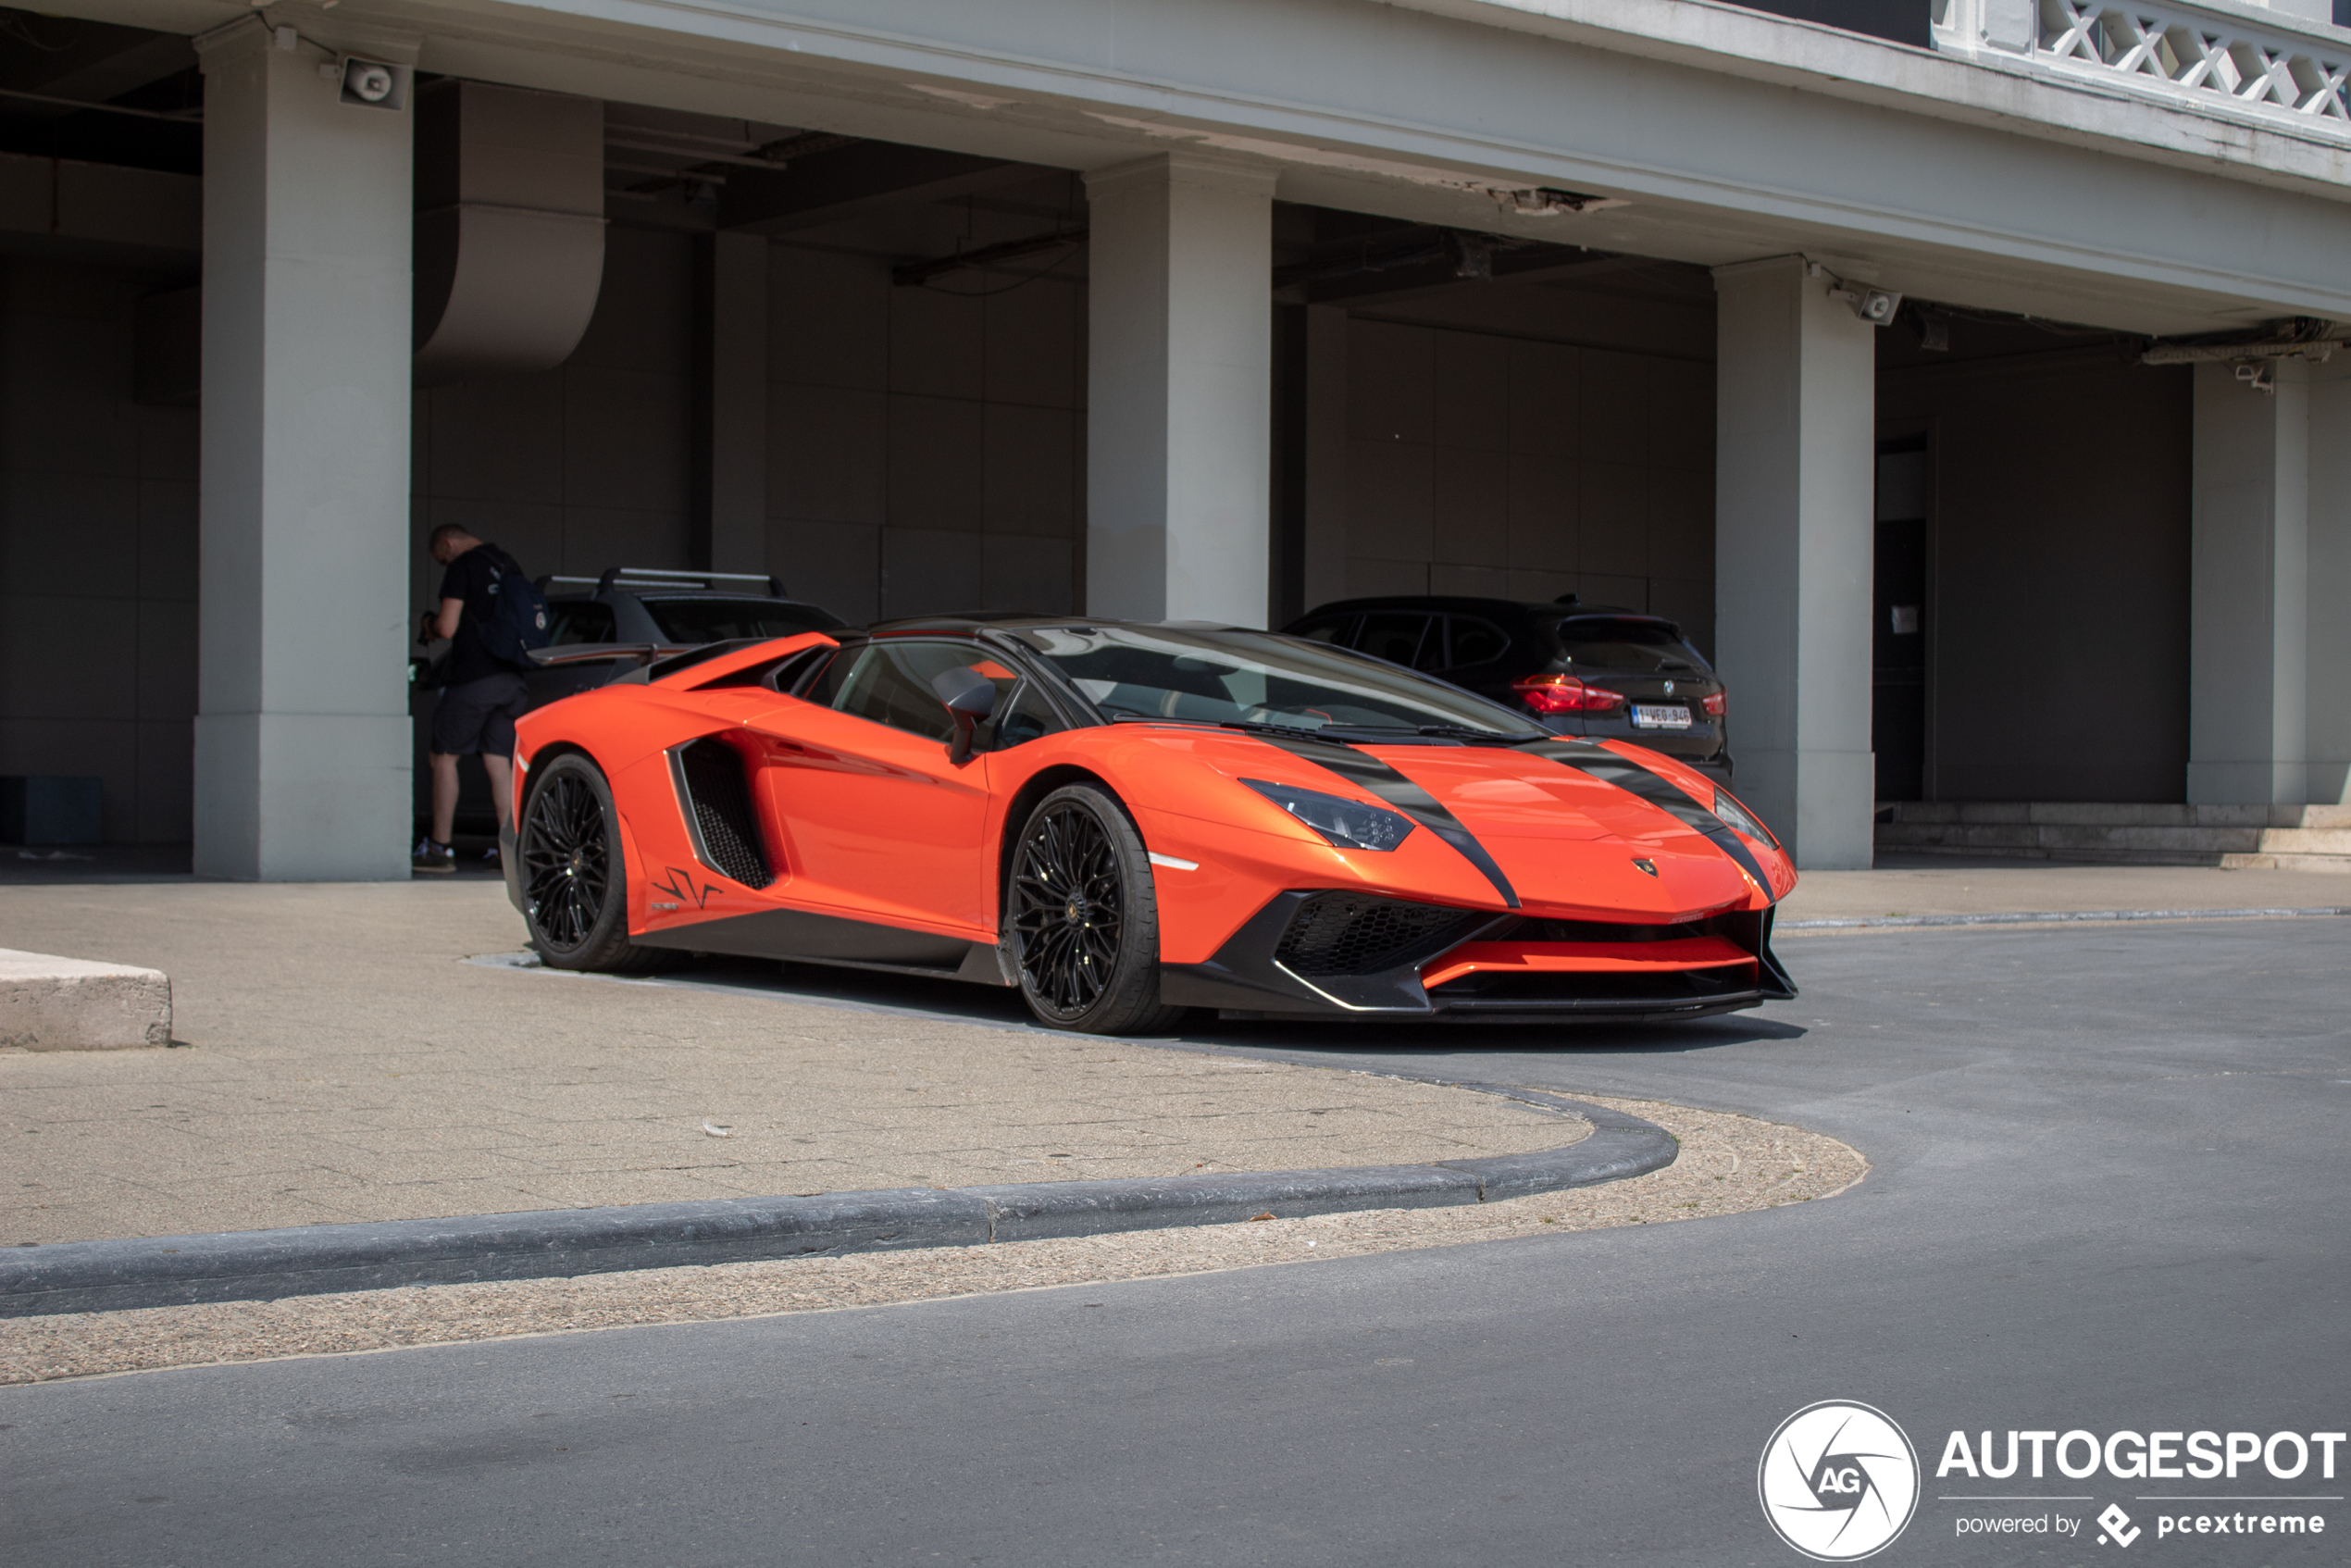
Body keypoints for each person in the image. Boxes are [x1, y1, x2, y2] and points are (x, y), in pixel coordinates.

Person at [414, 525, 531, 873]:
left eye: (441, 558)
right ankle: (509, 851)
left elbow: (448, 627)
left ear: (448, 544)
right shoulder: (509, 563)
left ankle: (439, 849)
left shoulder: (463, 566)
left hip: (474, 678)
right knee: (498, 762)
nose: (443, 563)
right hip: (512, 680)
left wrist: (429, 625)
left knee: (443, 758)